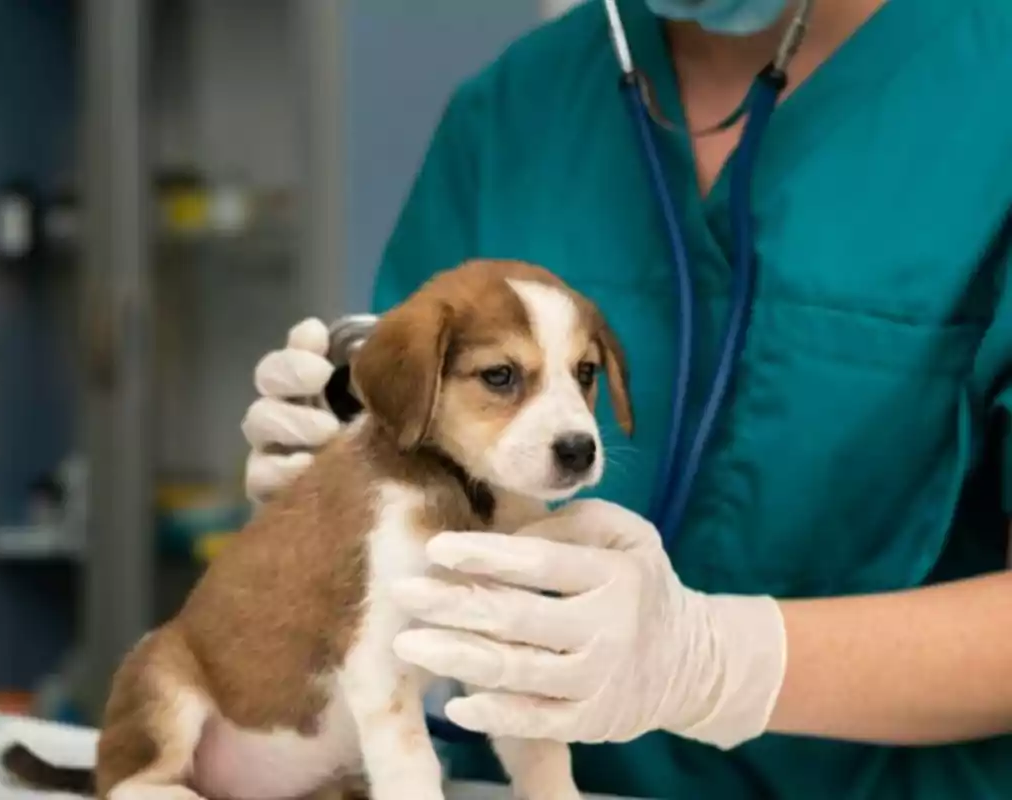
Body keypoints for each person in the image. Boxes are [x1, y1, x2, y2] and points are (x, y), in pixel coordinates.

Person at [240, 0, 1012, 797]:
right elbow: (420, 465)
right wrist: (341, 474)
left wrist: (718, 662)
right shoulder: (518, 107)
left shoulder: (988, 89)